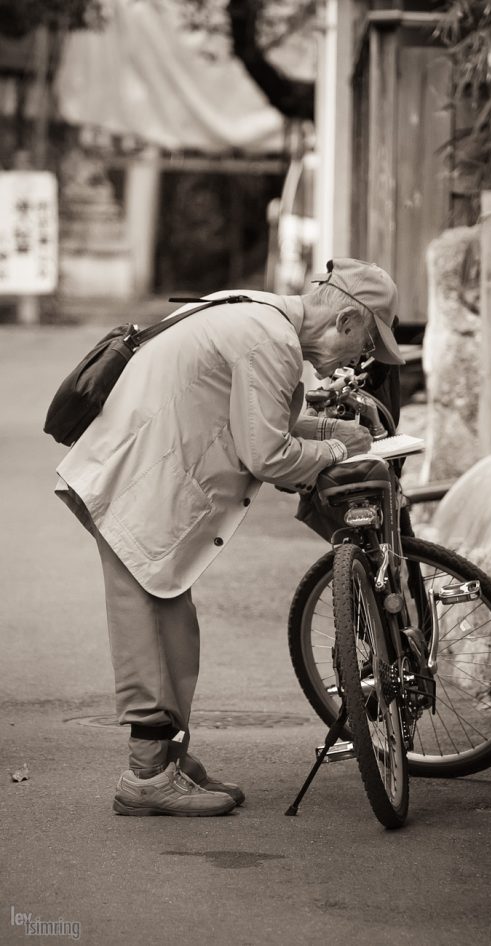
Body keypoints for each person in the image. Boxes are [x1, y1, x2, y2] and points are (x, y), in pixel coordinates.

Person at [54, 257, 404, 817]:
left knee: (172, 623)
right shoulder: (271, 341)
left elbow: (252, 419)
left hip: (139, 473)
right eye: (366, 343)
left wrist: (329, 429)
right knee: (147, 625)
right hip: (133, 483)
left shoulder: (261, 315)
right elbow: (265, 454)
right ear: (345, 320)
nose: (360, 359)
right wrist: (337, 449)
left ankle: (168, 758)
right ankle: (146, 776)